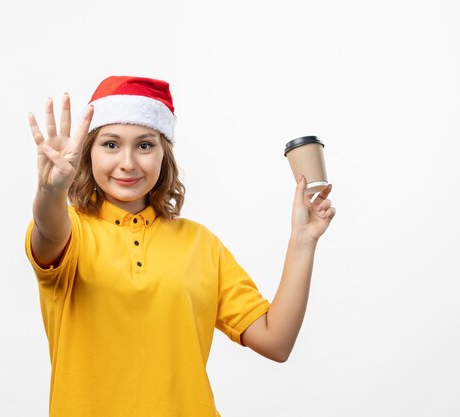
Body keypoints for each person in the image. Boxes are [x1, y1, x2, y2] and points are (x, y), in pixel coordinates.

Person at [25, 76, 336, 417]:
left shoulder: (200, 244)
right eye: (111, 145)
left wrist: (302, 241)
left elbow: (276, 341)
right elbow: (48, 229)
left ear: (164, 155)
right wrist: (51, 191)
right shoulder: (73, 232)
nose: (128, 162)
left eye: (145, 145)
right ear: (89, 153)